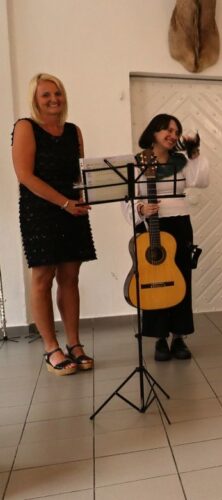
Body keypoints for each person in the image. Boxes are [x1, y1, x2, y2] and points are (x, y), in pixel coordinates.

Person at [11, 73, 95, 376]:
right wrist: (64, 203)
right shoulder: (25, 127)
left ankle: (74, 344)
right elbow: (25, 176)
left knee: (70, 277)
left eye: (57, 93)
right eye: (46, 94)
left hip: (73, 209)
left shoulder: (74, 131)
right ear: (35, 100)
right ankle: (51, 348)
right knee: (43, 277)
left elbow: (80, 173)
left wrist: (82, 199)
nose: (53, 99)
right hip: (41, 210)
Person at [129, 114, 210, 361]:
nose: (172, 135)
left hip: (179, 225)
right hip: (151, 225)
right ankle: (159, 338)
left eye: (176, 132)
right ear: (153, 132)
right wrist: (140, 208)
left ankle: (179, 336)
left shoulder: (181, 160)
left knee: (180, 278)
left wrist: (193, 153)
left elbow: (201, 181)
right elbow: (128, 197)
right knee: (153, 280)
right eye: (167, 130)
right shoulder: (137, 163)